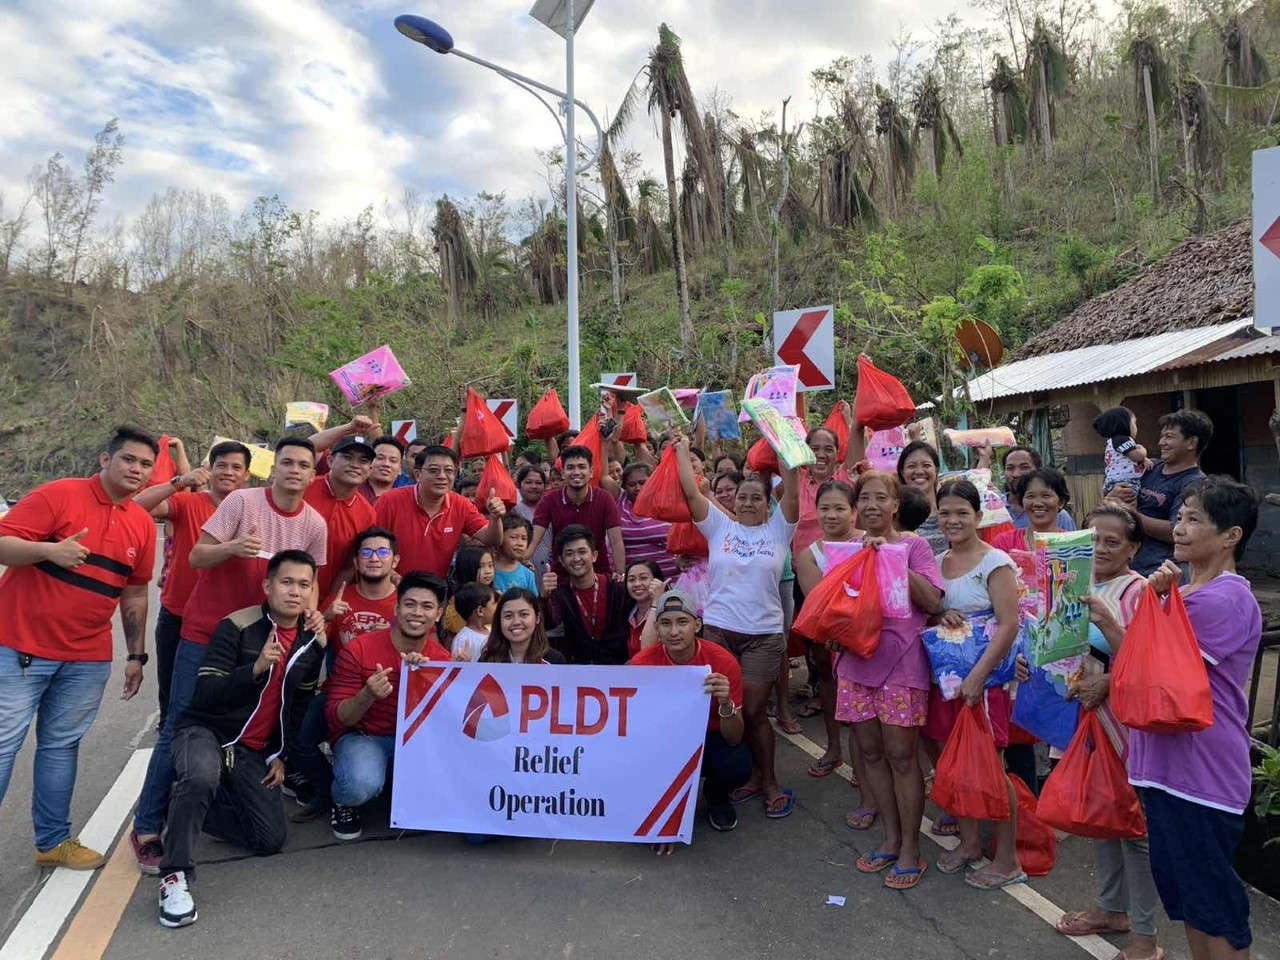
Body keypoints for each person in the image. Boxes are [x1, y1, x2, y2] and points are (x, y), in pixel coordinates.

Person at [131, 436, 328, 874]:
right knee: (180, 720)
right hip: (208, 632)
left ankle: (210, 797)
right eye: (287, 463)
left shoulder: (314, 523)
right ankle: (147, 827)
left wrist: (312, 611)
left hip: (264, 639)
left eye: (303, 465)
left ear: (314, 475)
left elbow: (310, 580)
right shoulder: (241, 502)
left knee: (247, 722)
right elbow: (198, 556)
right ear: (272, 468)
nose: (294, 470)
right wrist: (232, 549)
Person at [0, 427, 158, 870]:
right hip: (19, 647)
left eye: (146, 464)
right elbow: (3, 543)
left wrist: (135, 656)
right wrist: (46, 552)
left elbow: (135, 593)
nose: (137, 470)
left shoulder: (142, 524)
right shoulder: (59, 495)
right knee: (2, 745)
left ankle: (52, 842)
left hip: (86, 657)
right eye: (129, 460)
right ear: (105, 459)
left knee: (60, 746)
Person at [1121, 478, 1260, 958]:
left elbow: (1149, 672)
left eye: (1194, 519)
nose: (1179, 528)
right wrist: (1156, 602)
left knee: (1214, 909)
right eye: (1180, 517)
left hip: (1200, 777)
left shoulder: (1223, 599)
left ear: (1231, 535)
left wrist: (1117, 615)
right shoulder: (1184, 593)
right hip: (1167, 773)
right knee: (1189, 905)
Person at [156, 550, 326, 928]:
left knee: (269, 840)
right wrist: (255, 668)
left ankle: (187, 807)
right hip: (206, 730)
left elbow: (297, 707)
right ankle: (175, 873)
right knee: (201, 774)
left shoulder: (312, 642)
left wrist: (279, 754)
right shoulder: (237, 626)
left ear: (313, 591)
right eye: (286, 582)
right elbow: (204, 694)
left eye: (304, 584)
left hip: (251, 749)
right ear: (267, 586)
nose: (294, 592)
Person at [1051, 504, 1161, 960]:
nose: (1100, 548)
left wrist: (1107, 682)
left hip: (1126, 725)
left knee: (1134, 830)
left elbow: (1148, 661)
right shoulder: (1074, 583)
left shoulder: (1139, 592)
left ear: (1134, 548)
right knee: (1102, 816)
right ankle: (1112, 909)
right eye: (1093, 538)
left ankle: (1145, 936)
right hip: (1089, 718)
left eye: (1112, 541)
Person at [674, 433, 799, 819]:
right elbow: (691, 493)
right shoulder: (719, 529)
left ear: (767, 503)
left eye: (756, 498)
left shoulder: (780, 530)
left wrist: (785, 446)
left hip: (764, 638)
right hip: (718, 633)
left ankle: (768, 779)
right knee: (724, 710)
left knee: (754, 711)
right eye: (742, 497)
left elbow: (793, 492)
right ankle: (741, 778)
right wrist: (680, 449)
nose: (747, 502)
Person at [840, 471, 943, 890]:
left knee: (902, 755)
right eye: (864, 498)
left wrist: (892, 556)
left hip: (902, 663)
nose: (871, 506)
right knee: (869, 752)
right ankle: (890, 838)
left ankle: (910, 850)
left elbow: (934, 600)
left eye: (881, 498)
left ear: (896, 505)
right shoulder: (846, 549)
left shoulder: (915, 546)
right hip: (855, 663)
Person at [928, 479, 1024, 889]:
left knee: (992, 768)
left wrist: (978, 677)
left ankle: (1008, 860)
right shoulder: (937, 560)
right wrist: (940, 617)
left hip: (984, 685)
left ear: (978, 517)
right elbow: (934, 612)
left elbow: (1009, 623)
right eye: (945, 513)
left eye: (961, 513)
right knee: (957, 764)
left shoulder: (995, 561)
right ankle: (969, 843)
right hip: (950, 683)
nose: (952, 520)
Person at [325, 571, 452, 841]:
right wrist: (368, 694)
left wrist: (440, 677)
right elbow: (339, 718)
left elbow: (448, 723)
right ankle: (342, 798)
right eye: (409, 604)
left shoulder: (441, 658)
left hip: (412, 742)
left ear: (438, 614)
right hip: (364, 736)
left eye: (427, 606)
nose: (417, 613)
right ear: (396, 608)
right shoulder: (359, 649)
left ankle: (395, 785)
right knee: (361, 785)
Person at [134, 440, 252, 726]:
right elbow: (138, 506)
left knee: (226, 695)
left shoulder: (254, 509)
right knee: (173, 697)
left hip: (231, 620)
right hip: (178, 612)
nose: (228, 472)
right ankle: (171, 744)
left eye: (237, 467)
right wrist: (178, 482)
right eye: (221, 465)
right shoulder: (188, 502)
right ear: (209, 469)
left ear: (247, 474)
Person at [291, 526, 402, 811]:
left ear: (395, 561)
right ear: (356, 562)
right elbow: (315, 644)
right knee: (299, 739)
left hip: (394, 697)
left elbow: (426, 651)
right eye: (366, 552)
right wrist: (326, 616)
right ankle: (331, 792)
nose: (374, 558)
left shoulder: (407, 603)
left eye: (382, 552)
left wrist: (390, 636)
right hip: (343, 693)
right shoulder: (341, 598)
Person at [629, 588, 751, 842]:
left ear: (697, 625)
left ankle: (716, 795)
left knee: (737, 763)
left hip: (711, 737)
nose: (674, 632)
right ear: (657, 628)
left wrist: (725, 702)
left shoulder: (723, 662)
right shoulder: (641, 665)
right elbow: (632, 725)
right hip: (664, 739)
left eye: (682, 622)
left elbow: (734, 737)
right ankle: (662, 805)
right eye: (665, 624)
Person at [793, 480, 866, 788]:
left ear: (854, 511)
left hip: (870, 636)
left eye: (840, 508)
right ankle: (834, 748)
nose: (832, 515)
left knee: (867, 702)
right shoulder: (810, 554)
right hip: (829, 638)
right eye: (825, 508)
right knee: (829, 685)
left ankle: (867, 762)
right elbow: (817, 601)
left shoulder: (870, 542)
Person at [375, 444, 503, 578]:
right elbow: (370, 544)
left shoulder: (461, 505)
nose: (442, 476)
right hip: (393, 587)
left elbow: (492, 540)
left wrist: (495, 518)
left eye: (448, 470)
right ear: (418, 474)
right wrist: (391, 575)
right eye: (434, 470)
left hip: (437, 590)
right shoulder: (389, 500)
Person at [1110, 409, 1212, 576]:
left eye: (1169, 437)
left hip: (1162, 571)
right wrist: (1112, 497)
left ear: (1191, 443)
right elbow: (1115, 496)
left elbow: (1176, 530)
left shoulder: (1196, 483)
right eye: (1162, 436)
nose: (1161, 442)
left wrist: (1130, 513)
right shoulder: (1149, 467)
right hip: (1127, 565)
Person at [530, 445, 626, 582]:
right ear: (562, 473)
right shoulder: (549, 500)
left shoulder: (604, 498)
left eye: (581, 467)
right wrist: (523, 559)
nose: (576, 472)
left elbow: (616, 541)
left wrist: (620, 573)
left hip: (599, 575)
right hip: (561, 577)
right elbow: (535, 540)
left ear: (591, 472)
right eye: (570, 468)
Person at [540, 525, 631, 665]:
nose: (576, 558)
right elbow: (550, 624)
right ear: (562, 561)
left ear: (594, 556)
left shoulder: (616, 589)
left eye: (582, 552)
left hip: (616, 670)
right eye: (569, 553)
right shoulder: (560, 593)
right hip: (576, 673)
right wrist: (545, 598)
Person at [303, 436, 376, 599]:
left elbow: (348, 568)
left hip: (321, 603)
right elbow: (303, 446)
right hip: (281, 594)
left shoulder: (367, 514)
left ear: (370, 470)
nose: (355, 465)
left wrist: (328, 605)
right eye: (348, 457)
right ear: (330, 460)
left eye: (363, 461)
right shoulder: (304, 489)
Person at [614, 461, 675, 578]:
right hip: (636, 584)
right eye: (632, 484)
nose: (638, 488)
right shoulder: (620, 501)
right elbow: (604, 477)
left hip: (672, 580)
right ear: (624, 487)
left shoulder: (667, 502)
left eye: (643, 483)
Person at [994, 446, 1075, 531]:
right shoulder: (993, 509)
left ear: (1037, 471)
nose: (1016, 474)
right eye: (1010, 468)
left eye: (1024, 467)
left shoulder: (1058, 515)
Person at [992, 467, 1071, 553]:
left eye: (1046, 496)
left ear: (1061, 502)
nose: (1037, 503)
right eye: (1030, 496)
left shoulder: (1073, 544)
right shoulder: (1003, 543)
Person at [480, 588, 567, 664]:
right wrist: (467, 668)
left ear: (537, 618)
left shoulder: (554, 661)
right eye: (508, 616)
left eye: (524, 614)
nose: (516, 622)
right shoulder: (487, 660)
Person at [897, 440, 948, 554]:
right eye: (911, 466)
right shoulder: (894, 513)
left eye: (926, 465)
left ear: (936, 469)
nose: (919, 471)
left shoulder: (949, 508)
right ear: (902, 472)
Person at [1092, 406, 1150, 498]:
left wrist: (1143, 460)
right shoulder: (1122, 439)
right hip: (1124, 482)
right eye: (1134, 423)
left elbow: (1126, 459)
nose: (1136, 427)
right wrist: (1142, 449)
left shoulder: (1114, 441)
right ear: (1124, 424)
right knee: (1130, 505)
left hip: (1113, 482)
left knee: (1118, 507)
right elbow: (1138, 456)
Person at [444, 545, 496, 634]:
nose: (488, 571)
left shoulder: (494, 594)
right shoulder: (459, 601)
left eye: (490, 565)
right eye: (481, 567)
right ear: (467, 568)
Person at [514, 465, 551, 572]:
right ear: (518, 485)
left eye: (539, 483)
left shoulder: (552, 508)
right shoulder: (513, 512)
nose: (534, 486)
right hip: (524, 569)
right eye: (528, 482)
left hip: (553, 569)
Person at [624, 559, 665, 656]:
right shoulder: (626, 612)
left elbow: (647, 651)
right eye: (631, 580)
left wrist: (656, 602)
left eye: (643, 578)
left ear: (657, 581)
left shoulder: (667, 612)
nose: (637, 584)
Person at [450, 582, 498, 661]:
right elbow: (458, 668)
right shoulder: (463, 639)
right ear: (480, 610)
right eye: (494, 603)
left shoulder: (492, 630)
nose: (497, 607)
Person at [493, 514, 539, 595]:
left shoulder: (528, 575)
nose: (520, 543)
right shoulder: (489, 570)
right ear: (500, 537)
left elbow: (533, 603)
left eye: (524, 538)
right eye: (514, 537)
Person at [363, 436, 409, 503]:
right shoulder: (352, 490)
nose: (386, 464)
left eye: (393, 460)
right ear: (369, 462)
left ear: (400, 469)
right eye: (380, 458)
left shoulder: (406, 498)